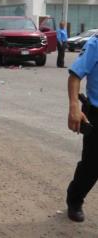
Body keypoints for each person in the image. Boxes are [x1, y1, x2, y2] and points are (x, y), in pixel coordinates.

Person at [66, 35, 98, 222]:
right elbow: (75, 76)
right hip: (96, 113)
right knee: (92, 166)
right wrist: (73, 107)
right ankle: (75, 199)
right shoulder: (95, 44)